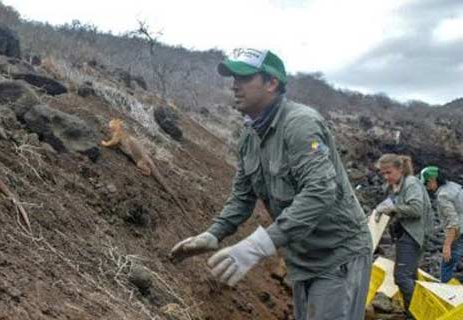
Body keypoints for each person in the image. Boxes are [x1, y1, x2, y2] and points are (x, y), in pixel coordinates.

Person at [169, 48, 372, 320]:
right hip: (302, 259)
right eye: (233, 78)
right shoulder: (250, 137)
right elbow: (242, 196)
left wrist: (258, 245)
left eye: (244, 78)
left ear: (272, 83)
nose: (235, 86)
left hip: (338, 255)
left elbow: (320, 192)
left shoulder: (301, 125)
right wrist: (215, 233)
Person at [375, 154, 432, 318]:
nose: (386, 177)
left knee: (401, 277)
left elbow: (416, 209)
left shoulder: (411, 183)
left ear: (400, 169)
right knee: (411, 275)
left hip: (413, 234)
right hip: (405, 233)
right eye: (383, 173)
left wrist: (392, 209)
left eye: (389, 172)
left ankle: (416, 314)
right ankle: (414, 312)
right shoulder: (397, 184)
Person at [420, 166, 463, 283]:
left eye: (427, 183)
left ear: (433, 181)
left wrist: (447, 245)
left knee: (447, 264)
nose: (426, 187)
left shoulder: (443, 196)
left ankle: (445, 292)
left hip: (460, 232)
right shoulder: (454, 186)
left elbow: (453, 222)